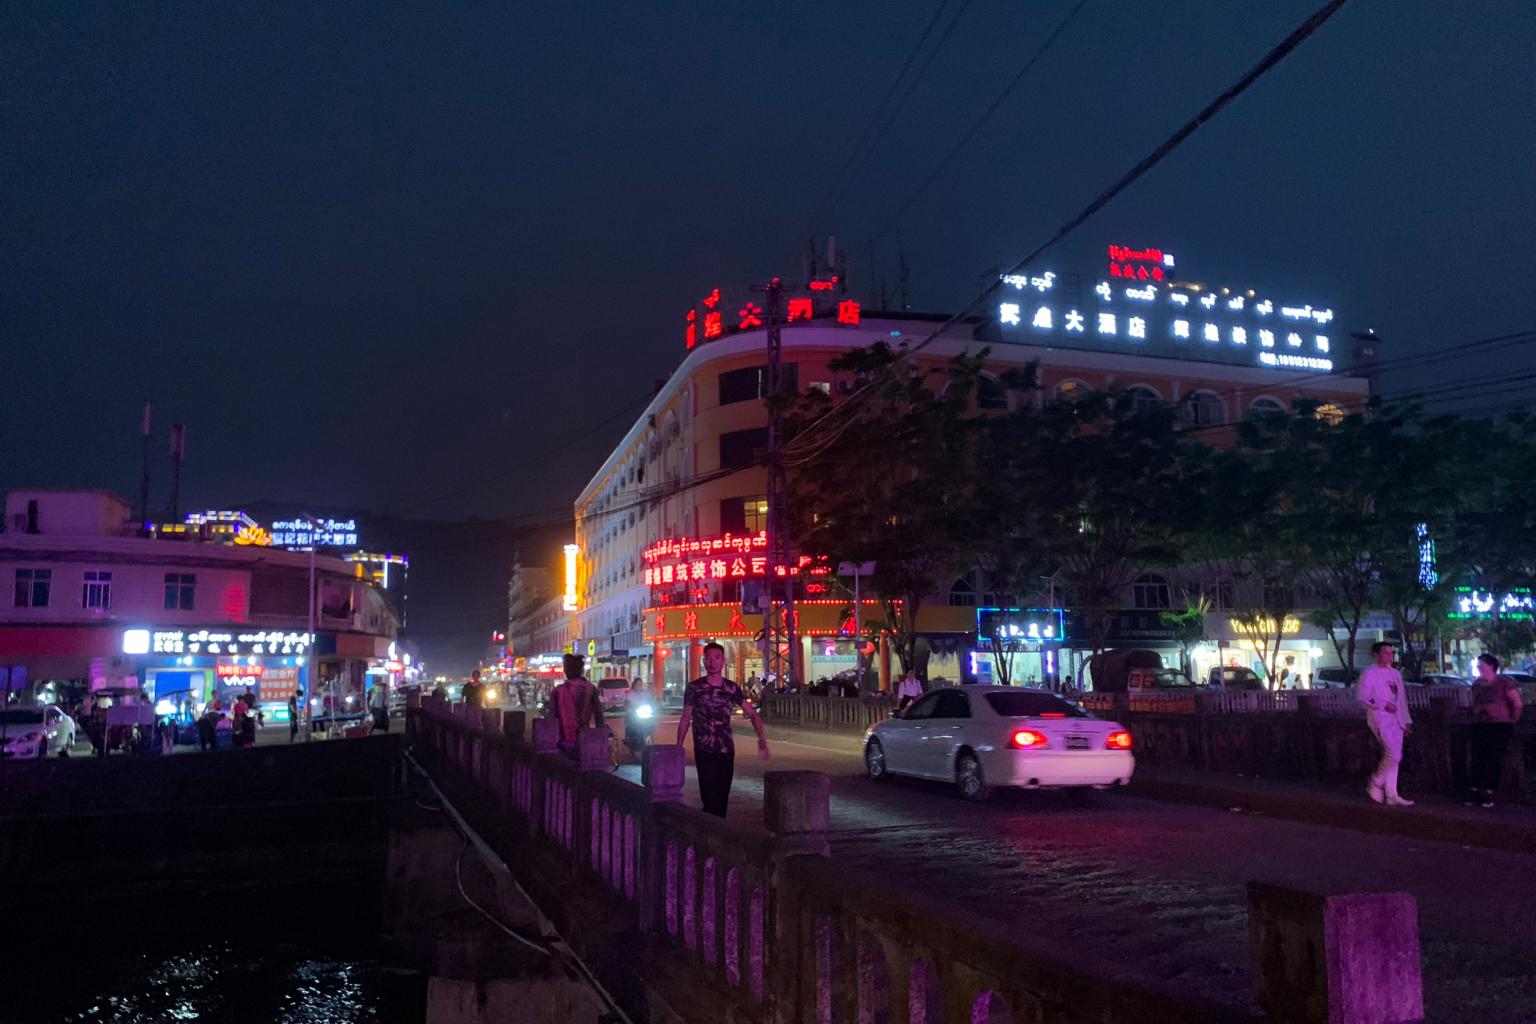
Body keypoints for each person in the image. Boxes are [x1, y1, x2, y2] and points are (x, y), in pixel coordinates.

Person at [676, 642, 771, 818]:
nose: (712, 661)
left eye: (716, 657)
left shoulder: (731, 688)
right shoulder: (694, 688)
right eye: (708, 658)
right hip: (704, 750)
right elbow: (686, 717)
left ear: (723, 662)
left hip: (726, 750)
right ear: (704, 661)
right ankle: (710, 835)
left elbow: (753, 714)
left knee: (722, 797)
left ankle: (716, 834)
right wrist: (678, 747)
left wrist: (762, 739)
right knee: (709, 797)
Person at [1357, 641, 1413, 806]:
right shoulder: (1369, 673)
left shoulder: (1395, 674)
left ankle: (1391, 793)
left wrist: (1407, 719)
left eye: (1391, 653)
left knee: (1395, 756)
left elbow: (1401, 699)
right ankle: (1376, 782)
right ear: (1376, 655)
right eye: (1385, 653)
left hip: (1397, 718)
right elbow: (1363, 697)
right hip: (1379, 717)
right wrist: (1383, 704)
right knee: (1393, 753)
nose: (1389, 656)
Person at [1467, 653, 1524, 808]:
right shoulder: (1477, 684)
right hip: (1481, 724)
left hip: (1499, 725)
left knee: (1494, 758)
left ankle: (1489, 791)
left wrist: (1513, 719)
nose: (1479, 667)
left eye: (1481, 664)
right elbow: (1472, 702)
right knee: (1478, 757)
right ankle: (1474, 790)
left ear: (1491, 666)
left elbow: (1517, 703)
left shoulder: (1504, 682)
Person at [549, 654, 604, 756]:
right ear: (581, 670)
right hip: (584, 741)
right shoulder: (590, 689)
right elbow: (599, 717)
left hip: (563, 743)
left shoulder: (557, 691)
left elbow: (552, 719)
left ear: (566, 670)